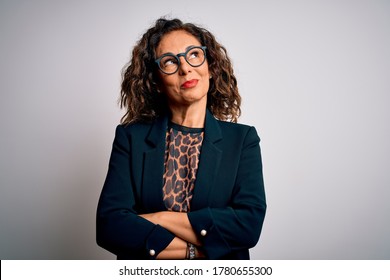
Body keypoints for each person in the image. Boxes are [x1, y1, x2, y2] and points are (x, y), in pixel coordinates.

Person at [96, 17, 266, 260]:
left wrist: (160, 218)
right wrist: (196, 250)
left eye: (194, 55)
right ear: (156, 81)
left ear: (211, 65)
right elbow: (109, 227)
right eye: (169, 61)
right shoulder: (130, 138)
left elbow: (248, 227)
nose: (185, 68)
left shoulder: (242, 140)